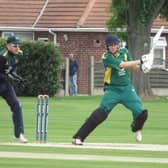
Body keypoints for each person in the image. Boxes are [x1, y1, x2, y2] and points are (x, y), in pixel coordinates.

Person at [72, 35, 150, 145]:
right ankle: (78, 137)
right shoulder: (106, 57)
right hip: (112, 90)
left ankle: (136, 129)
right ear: (107, 47)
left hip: (127, 89)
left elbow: (131, 66)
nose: (113, 47)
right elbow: (122, 64)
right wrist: (140, 61)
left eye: (114, 44)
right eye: (110, 45)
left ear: (118, 44)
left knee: (142, 113)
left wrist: (142, 68)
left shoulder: (125, 52)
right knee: (100, 114)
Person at [0, 35, 28, 143]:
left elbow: (11, 71)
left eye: (18, 45)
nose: (17, 47)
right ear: (8, 46)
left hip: (5, 84)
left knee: (17, 105)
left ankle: (19, 134)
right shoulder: (2, 56)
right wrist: (8, 77)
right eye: (14, 45)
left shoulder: (19, 54)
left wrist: (18, 78)